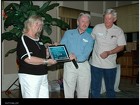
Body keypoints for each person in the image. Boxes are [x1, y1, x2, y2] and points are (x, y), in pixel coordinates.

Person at [16, 15, 57, 98]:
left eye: (41, 24)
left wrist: (49, 51)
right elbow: (28, 59)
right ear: (29, 24)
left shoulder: (39, 40)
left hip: (43, 75)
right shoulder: (25, 39)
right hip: (30, 76)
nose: (39, 26)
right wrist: (46, 61)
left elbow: (43, 56)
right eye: (37, 23)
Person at [90, 9, 126, 98]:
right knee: (95, 89)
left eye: (109, 19)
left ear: (114, 19)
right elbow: (89, 41)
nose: (107, 21)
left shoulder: (119, 31)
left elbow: (121, 46)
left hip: (110, 66)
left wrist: (109, 52)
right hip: (96, 64)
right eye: (105, 18)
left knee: (110, 90)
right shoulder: (97, 27)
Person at [60, 13, 94, 98]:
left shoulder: (90, 38)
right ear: (78, 22)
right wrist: (68, 54)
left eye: (87, 22)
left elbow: (86, 54)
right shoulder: (68, 33)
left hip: (84, 67)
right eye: (83, 21)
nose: (85, 24)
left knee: (83, 92)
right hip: (69, 64)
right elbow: (62, 46)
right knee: (68, 91)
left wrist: (76, 57)